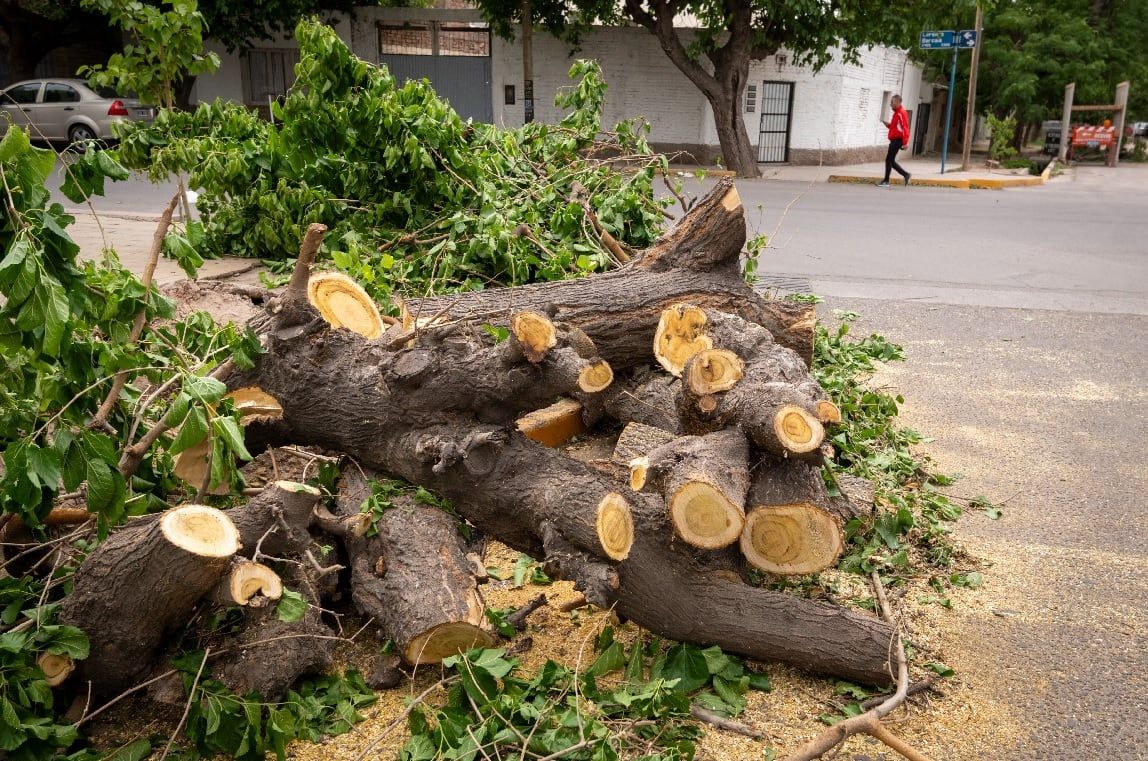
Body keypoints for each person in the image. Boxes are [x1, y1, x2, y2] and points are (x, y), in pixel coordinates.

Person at [878, 95, 911, 188]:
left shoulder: (901, 113)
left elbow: (905, 128)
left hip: (897, 140)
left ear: (898, 102)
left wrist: (905, 143)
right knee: (890, 160)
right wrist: (887, 125)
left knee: (889, 160)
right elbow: (895, 128)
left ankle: (887, 181)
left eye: (892, 102)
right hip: (895, 140)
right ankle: (905, 175)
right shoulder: (897, 113)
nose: (890, 104)